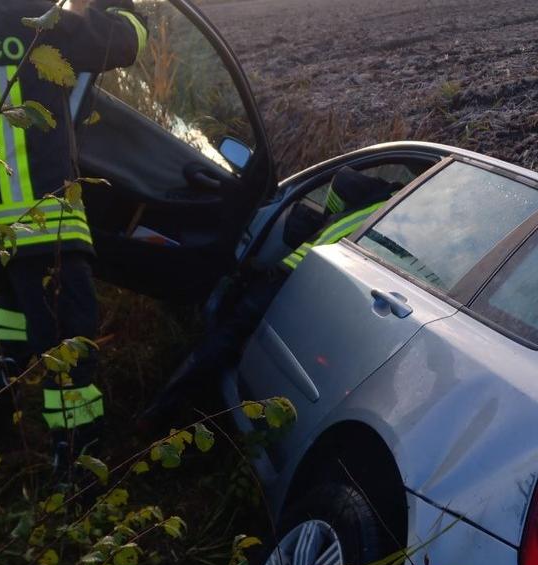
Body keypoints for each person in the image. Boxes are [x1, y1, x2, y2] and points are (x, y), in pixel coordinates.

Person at [0, 0, 148, 467]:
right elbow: (124, 39)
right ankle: (76, 467)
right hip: (32, 220)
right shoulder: (24, 16)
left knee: (14, 306)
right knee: (68, 345)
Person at [139, 167, 401, 427]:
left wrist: (329, 216)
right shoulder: (403, 213)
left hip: (296, 274)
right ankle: (175, 411)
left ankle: (164, 411)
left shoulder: (391, 202)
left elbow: (342, 179)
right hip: (311, 282)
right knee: (234, 339)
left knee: (227, 335)